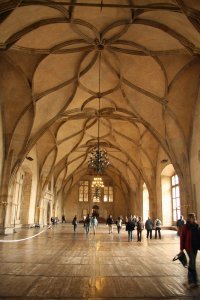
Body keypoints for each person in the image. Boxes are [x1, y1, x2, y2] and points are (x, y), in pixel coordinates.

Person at [180, 213, 199, 289]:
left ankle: (192, 281)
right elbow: (182, 237)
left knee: (192, 263)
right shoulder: (185, 227)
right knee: (192, 262)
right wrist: (181, 249)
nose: (194, 218)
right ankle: (193, 281)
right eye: (192, 217)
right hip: (189, 247)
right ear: (189, 218)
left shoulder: (196, 226)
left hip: (195, 247)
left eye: (194, 217)